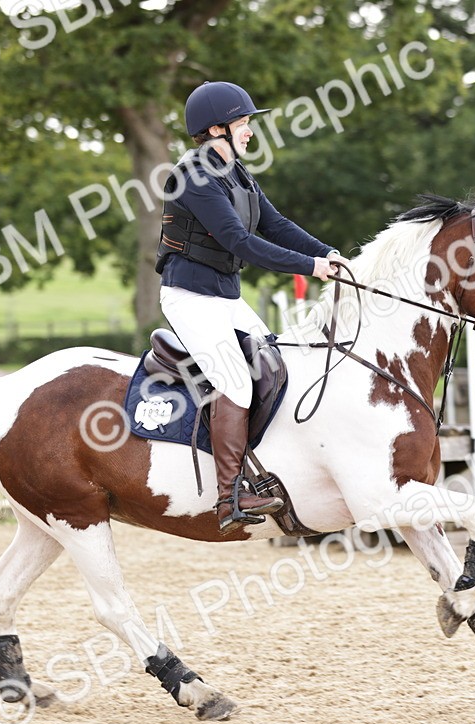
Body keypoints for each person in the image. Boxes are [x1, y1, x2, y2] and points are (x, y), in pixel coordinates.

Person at [155, 80, 346, 532]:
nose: (250, 131)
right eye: (243, 123)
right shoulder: (193, 178)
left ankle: (277, 470)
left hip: (225, 296)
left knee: (277, 365)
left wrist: (330, 254)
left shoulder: (236, 172)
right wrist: (311, 266)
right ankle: (228, 498)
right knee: (237, 384)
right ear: (215, 129)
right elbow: (240, 242)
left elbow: (275, 225)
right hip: (190, 298)